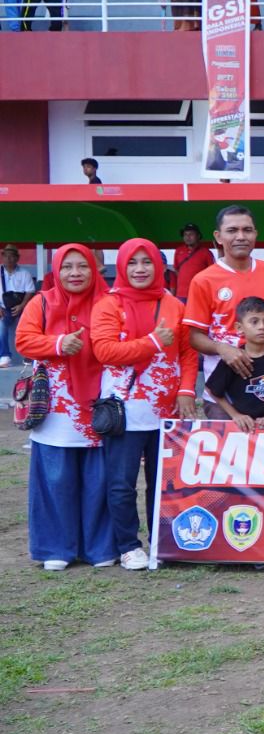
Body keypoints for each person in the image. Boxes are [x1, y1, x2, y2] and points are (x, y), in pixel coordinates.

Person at [88, 239, 195, 570]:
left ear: (158, 266)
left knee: (163, 484)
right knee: (122, 483)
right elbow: (104, 351)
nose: (140, 269)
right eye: (132, 262)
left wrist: (186, 391)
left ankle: (161, 543)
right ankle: (129, 545)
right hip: (124, 412)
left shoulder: (173, 304)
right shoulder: (108, 305)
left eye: (146, 262)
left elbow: (187, 352)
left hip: (167, 412)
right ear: (122, 266)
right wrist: (152, 342)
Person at [18, 244, 111, 571]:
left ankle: (99, 548)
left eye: (82, 266)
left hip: (100, 402)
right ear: (56, 270)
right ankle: (55, 547)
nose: (75, 273)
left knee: (98, 479)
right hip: (55, 405)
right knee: (55, 479)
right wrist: (58, 343)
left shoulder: (109, 301)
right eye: (67, 266)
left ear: (95, 269)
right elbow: (23, 340)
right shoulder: (42, 302)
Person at [183, 205, 264, 419]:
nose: (241, 236)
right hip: (225, 399)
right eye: (232, 230)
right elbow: (194, 337)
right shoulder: (203, 280)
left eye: (247, 230)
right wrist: (222, 348)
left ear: (255, 234)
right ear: (218, 236)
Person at [205, 296, 264, 430]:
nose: (262, 327)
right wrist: (236, 415)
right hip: (247, 429)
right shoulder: (235, 357)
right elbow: (212, 390)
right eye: (254, 322)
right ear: (239, 327)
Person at [1, 245, 37, 367]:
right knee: (1, 325)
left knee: (31, 325)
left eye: (12, 256)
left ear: (17, 258)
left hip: (23, 306)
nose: (9, 259)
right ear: (2, 257)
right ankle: (4, 356)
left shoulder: (24, 273)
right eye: (6, 256)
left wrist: (21, 306)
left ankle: (29, 355)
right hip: (4, 308)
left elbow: (30, 291)